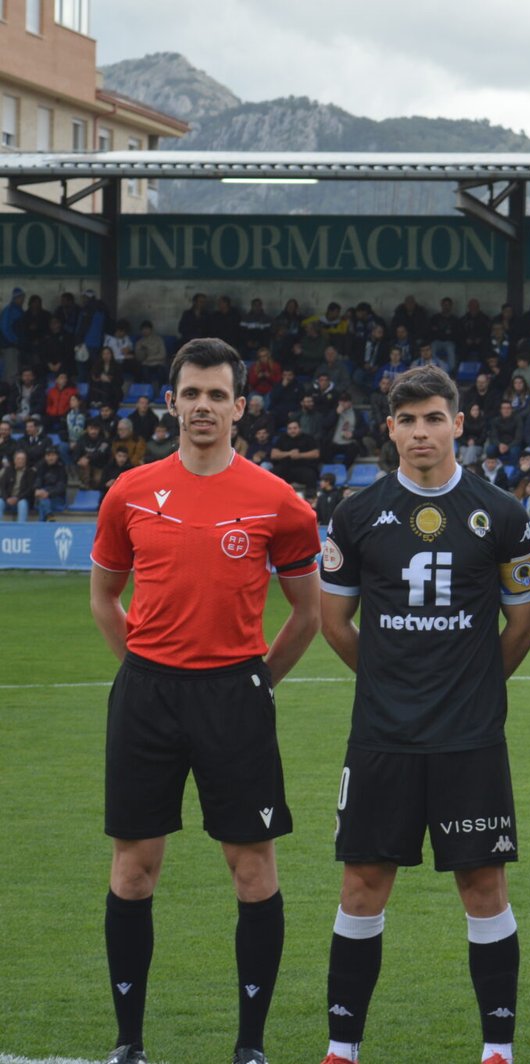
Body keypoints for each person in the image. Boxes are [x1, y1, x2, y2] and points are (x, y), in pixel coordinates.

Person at [88, 338, 324, 1064]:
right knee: (133, 868)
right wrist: (147, 671)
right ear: (171, 403)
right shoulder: (129, 491)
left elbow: (307, 615)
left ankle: (249, 1047)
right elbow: (103, 598)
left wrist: (254, 684)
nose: (202, 407)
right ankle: (129, 1042)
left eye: (217, 395)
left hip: (235, 697)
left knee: (253, 871)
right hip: (148, 696)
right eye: (191, 394)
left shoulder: (278, 503)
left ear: (240, 408)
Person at [316, 365, 530, 1064]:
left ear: (458, 424)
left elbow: (523, 624)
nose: (422, 432)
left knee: (483, 884)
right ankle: (341, 1049)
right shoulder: (356, 515)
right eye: (408, 420)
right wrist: (392, 682)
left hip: (469, 738)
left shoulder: (501, 514)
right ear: (390, 429)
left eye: (434, 418)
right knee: (362, 885)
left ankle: (497, 1049)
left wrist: (469, 685)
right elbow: (335, 622)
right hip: (383, 736)